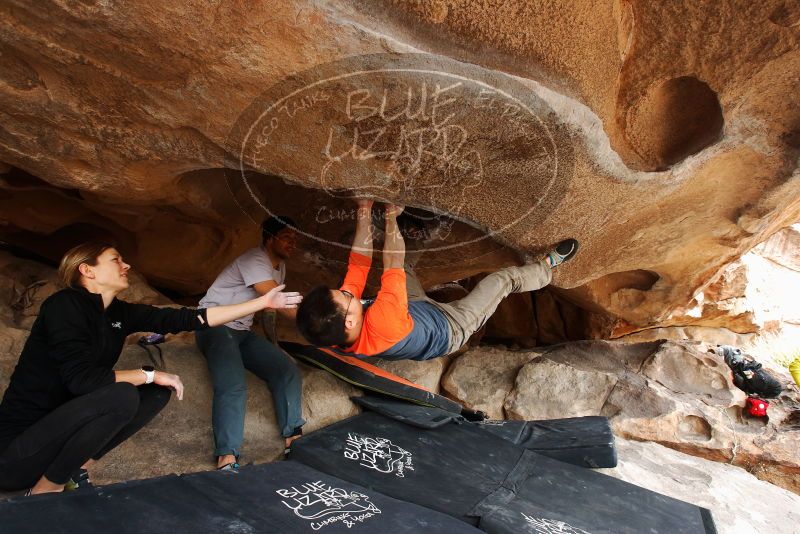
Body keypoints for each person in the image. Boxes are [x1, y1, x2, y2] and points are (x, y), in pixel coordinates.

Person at [0, 241, 301, 495]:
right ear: (87, 270)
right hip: (16, 456)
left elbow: (187, 319)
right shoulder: (64, 306)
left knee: (156, 392)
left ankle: (75, 470)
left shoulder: (118, 313)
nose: (126, 265)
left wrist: (262, 303)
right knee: (123, 394)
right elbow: (83, 381)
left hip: (56, 447)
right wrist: (149, 373)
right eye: (115, 259)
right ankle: (43, 492)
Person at [296, 199, 578, 361]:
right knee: (501, 280)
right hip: (450, 327)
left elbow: (359, 261)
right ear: (349, 321)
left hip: (414, 310)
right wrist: (391, 217)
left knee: (400, 267)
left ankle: (419, 230)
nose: (349, 293)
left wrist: (363, 208)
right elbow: (390, 260)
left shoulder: (333, 328)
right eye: (346, 297)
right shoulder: (382, 323)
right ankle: (547, 268)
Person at [196, 216, 306, 470]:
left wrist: (273, 345)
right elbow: (278, 300)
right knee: (233, 385)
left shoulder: (279, 267)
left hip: (242, 332)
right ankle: (227, 456)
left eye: (296, 239)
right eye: (287, 237)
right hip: (214, 326)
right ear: (270, 239)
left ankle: (293, 438)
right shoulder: (255, 259)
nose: (293, 243)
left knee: (285, 369)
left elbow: (269, 309)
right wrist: (314, 325)